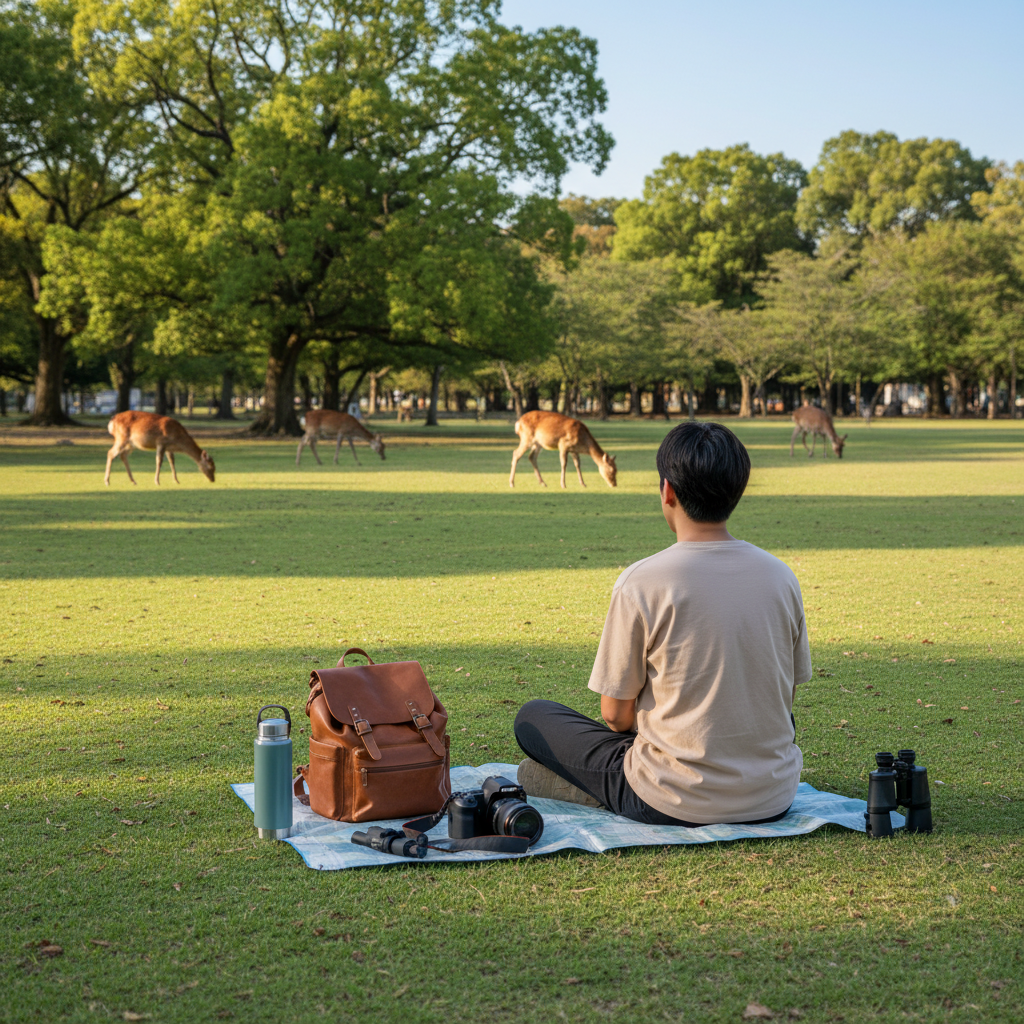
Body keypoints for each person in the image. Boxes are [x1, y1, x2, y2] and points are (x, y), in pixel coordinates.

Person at [514, 421, 811, 826]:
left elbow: (616, 717)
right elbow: (784, 699)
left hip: (670, 796)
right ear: (738, 491)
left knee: (533, 718)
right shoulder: (781, 576)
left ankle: (589, 789)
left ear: (667, 490)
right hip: (772, 796)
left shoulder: (642, 581)